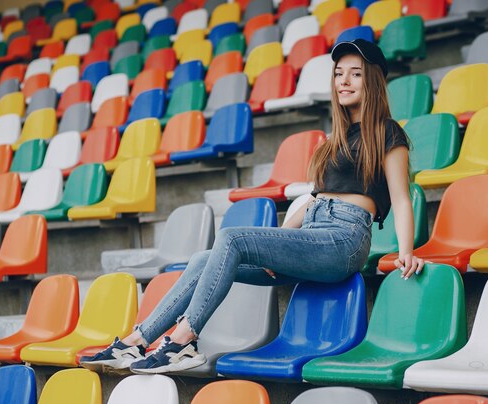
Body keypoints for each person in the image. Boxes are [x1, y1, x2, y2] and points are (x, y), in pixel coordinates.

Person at [80, 38, 425, 375]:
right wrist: (277, 248)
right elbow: (313, 201)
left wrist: (405, 251)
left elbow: (399, 197)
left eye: (355, 74)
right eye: (338, 74)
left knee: (231, 237)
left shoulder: (386, 133)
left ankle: (184, 340)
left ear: (373, 80)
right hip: (313, 236)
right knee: (202, 260)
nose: (344, 82)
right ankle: (137, 341)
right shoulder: (334, 141)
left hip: (344, 240)